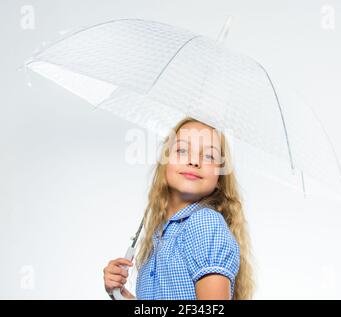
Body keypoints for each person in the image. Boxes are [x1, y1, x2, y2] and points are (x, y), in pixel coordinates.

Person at [103, 116, 254, 299]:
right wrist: (122, 295)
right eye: (182, 150)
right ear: (165, 163)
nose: (194, 162)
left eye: (209, 156)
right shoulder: (161, 233)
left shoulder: (204, 224)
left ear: (219, 179)